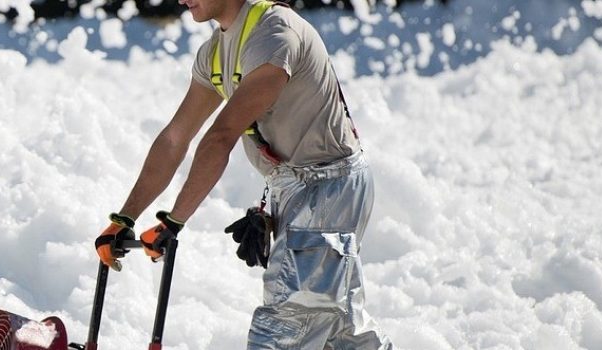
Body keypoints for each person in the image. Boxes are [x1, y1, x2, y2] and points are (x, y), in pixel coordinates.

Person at [93, 0, 394, 348]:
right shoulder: (216, 54)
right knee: (339, 330)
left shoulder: (275, 33)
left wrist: (174, 222)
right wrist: (125, 217)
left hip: (326, 187)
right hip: (298, 187)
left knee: (285, 327)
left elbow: (220, 137)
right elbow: (175, 137)